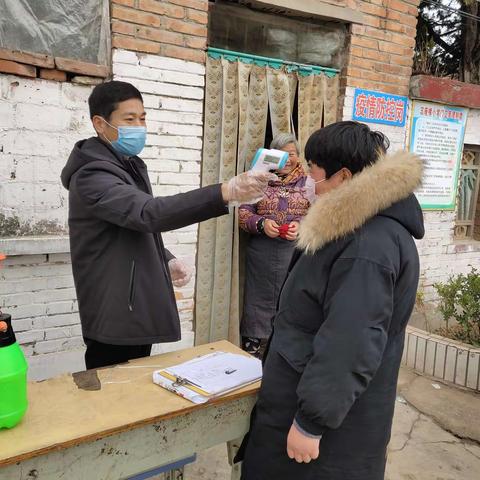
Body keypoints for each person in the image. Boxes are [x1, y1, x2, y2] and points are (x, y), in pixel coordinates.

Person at [239, 121, 425, 480]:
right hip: (306, 393)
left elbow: (351, 340)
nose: (309, 181)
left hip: (332, 428)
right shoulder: (352, 226)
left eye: (314, 172)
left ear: (342, 176)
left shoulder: (367, 245)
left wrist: (311, 423)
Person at [60, 81, 273, 370]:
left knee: (134, 387)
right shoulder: (92, 175)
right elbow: (147, 213)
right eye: (130, 119)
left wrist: (166, 258)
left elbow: (133, 225)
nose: (140, 126)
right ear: (100, 123)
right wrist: (226, 191)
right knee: (112, 395)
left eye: (143, 118)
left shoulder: (127, 164)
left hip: (131, 302)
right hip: (115, 309)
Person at [239, 133, 310, 358]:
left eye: (292, 154)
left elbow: (321, 213)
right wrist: (261, 224)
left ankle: (284, 348)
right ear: (272, 157)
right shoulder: (258, 179)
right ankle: (253, 350)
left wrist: (301, 226)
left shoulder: (309, 183)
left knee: (291, 298)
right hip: (262, 253)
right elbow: (243, 212)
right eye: (282, 155)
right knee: (258, 300)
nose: (288, 159)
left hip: (295, 253)